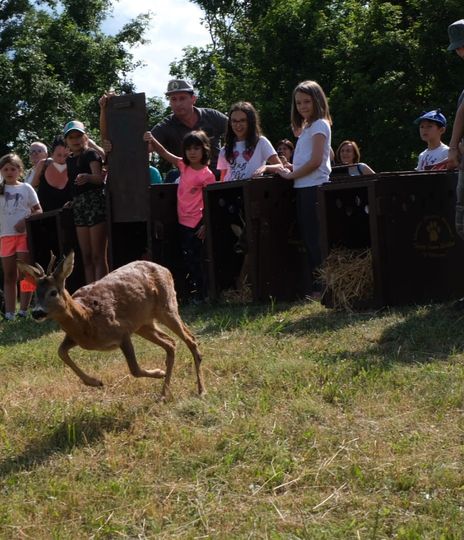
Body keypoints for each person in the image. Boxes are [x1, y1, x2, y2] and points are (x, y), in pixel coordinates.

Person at [143, 129, 216, 302]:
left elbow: (209, 201)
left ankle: (203, 294)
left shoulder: (207, 175)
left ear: (204, 149)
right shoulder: (184, 166)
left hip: (198, 224)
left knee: (199, 260)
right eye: (189, 148)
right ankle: (193, 293)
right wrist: (152, 138)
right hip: (182, 222)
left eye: (196, 148)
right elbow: (164, 153)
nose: (192, 152)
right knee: (187, 260)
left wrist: (205, 224)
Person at [277, 80, 332, 298]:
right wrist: (289, 167)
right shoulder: (308, 127)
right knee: (309, 240)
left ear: (317, 101)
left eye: (307, 101)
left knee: (316, 240)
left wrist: (291, 174)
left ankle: (324, 287)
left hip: (314, 187)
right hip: (303, 186)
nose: (302, 106)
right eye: (298, 103)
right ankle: (319, 286)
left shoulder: (319, 124)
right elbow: (305, 162)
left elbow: (317, 161)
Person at [151, 79, 228, 179]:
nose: (178, 104)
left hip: (220, 180)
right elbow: (143, 147)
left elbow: (239, 130)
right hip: (190, 184)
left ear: (193, 99)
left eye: (182, 98)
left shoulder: (211, 116)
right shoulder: (166, 125)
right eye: (173, 99)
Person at [63, 120, 108, 284]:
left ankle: (101, 294)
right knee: (86, 256)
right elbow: (72, 185)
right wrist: (71, 201)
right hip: (79, 207)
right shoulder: (68, 160)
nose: (75, 140)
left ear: (85, 137)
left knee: (98, 255)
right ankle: (90, 295)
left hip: (95, 204)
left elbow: (99, 179)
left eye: (78, 136)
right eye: (71, 137)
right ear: (66, 141)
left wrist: (88, 177)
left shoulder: (91, 154)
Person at [0, 153, 42, 320]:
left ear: (20, 170)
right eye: (5, 169)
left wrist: (25, 221)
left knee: (26, 274)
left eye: (13, 168)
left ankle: (24, 310)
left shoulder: (26, 188)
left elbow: (38, 210)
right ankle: (10, 313)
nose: (9, 172)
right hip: (5, 237)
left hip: (23, 236)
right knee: (9, 275)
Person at [217, 101, 282, 181]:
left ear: (250, 122)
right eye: (234, 121)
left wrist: (266, 167)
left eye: (242, 120)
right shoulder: (224, 149)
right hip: (230, 191)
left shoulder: (261, 142)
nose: (238, 125)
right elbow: (223, 178)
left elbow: (280, 166)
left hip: (252, 190)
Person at [31, 135, 72, 211]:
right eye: (59, 155)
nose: (62, 159)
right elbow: (31, 189)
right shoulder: (43, 165)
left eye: (66, 155)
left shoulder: (74, 166)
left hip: (68, 218)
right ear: (52, 153)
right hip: (44, 217)